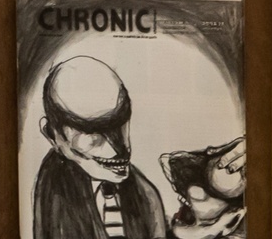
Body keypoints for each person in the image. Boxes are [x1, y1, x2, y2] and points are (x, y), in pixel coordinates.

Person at [31, 57, 170, 239]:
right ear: (52, 134)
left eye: (120, 120)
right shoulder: (53, 195)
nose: (117, 148)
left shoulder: (145, 195)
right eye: (91, 130)